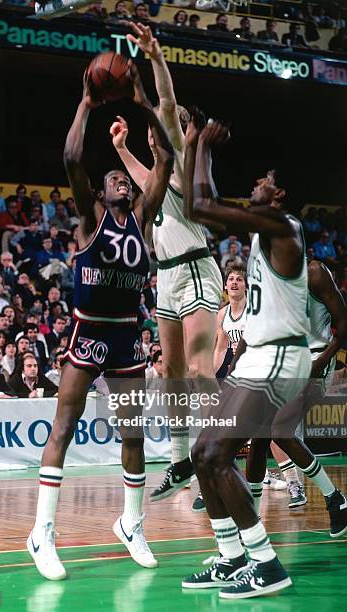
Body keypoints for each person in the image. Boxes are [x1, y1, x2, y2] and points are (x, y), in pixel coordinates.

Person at [27, 60, 174, 580]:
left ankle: (132, 523)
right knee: (64, 426)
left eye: (123, 179)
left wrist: (139, 97)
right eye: (111, 178)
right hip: (89, 331)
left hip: (127, 338)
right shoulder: (89, 220)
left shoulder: (142, 221)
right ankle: (41, 532)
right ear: (97, 192)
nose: (119, 180)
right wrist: (88, 105)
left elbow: (167, 156)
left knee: (132, 435)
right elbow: (70, 156)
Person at [182, 117, 311, 598]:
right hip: (259, 356)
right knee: (202, 453)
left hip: (279, 356)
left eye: (265, 182)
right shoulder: (262, 232)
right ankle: (232, 557)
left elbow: (200, 204)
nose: (257, 184)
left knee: (217, 454)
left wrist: (201, 147)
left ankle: (266, 562)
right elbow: (207, 207)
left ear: (278, 197)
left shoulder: (280, 225)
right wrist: (200, 151)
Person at [114, 22, 222, 501]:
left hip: (197, 267)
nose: (165, 121)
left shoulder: (180, 155)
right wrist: (119, 148)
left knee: (201, 373)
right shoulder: (157, 174)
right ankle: (181, 460)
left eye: (172, 118)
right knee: (173, 375)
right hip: (166, 277)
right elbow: (140, 178)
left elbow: (165, 99)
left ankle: (220, 451)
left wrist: (156, 58)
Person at [247, 260, 347, 533]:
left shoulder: (315, 272)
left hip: (316, 360)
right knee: (258, 438)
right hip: (281, 363)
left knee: (279, 429)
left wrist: (323, 360)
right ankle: (251, 522)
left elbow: (343, 323)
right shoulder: (265, 277)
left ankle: (334, 497)